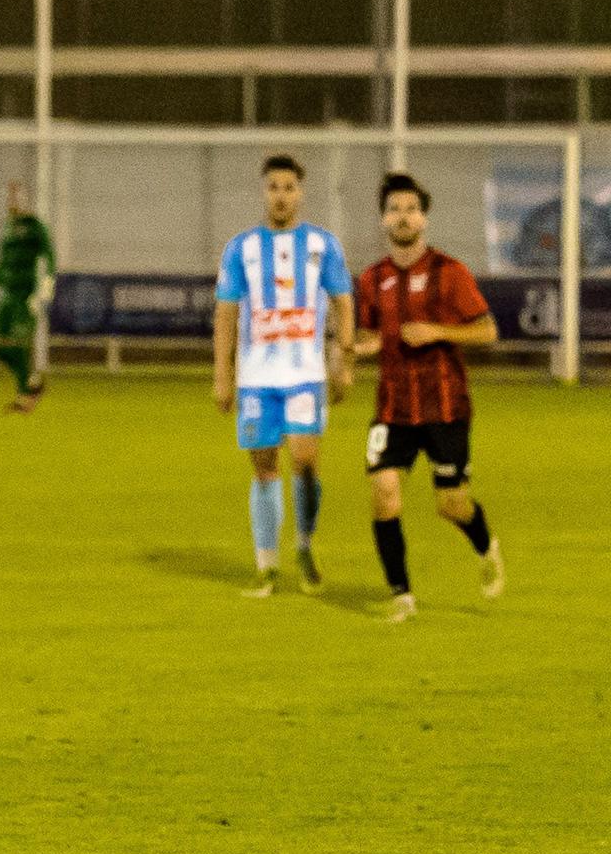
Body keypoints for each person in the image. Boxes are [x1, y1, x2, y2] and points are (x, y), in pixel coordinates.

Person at [354, 172, 504, 622]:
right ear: (383, 219)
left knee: (451, 505)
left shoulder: (450, 272)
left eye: (411, 209)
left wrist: (437, 330)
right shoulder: (371, 278)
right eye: (395, 209)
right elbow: (369, 335)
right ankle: (401, 595)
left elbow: (489, 331)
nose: (403, 216)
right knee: (384, 493)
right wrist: (357, 347)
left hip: (445, 406)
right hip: (392, 408)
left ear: (424, 217)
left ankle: (485, 545)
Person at [213, 155, 354, 597]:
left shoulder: (323, 245)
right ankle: (267, 566)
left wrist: (343, 363)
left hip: (305, 375)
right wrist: (222, 373)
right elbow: (226, 314)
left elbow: (344, 303)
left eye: (289, 187)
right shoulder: (241, 248)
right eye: (274, 187)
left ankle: (306, 545)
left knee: (305, 461)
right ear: (264, 191)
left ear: (301, 192)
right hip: (255, 379)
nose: (281, 195)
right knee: (264, 469)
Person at [0, 181, 56, 412]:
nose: (12, 201)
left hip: (25, 295)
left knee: (20, 345)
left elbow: (49, 255)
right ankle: (32, 380)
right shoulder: (8, 226)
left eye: (17, 197)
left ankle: (25, 396)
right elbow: (3, 258)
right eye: (10, 196)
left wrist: (46, 284)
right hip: (5, 294)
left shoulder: (35, 226)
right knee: (1, 349)